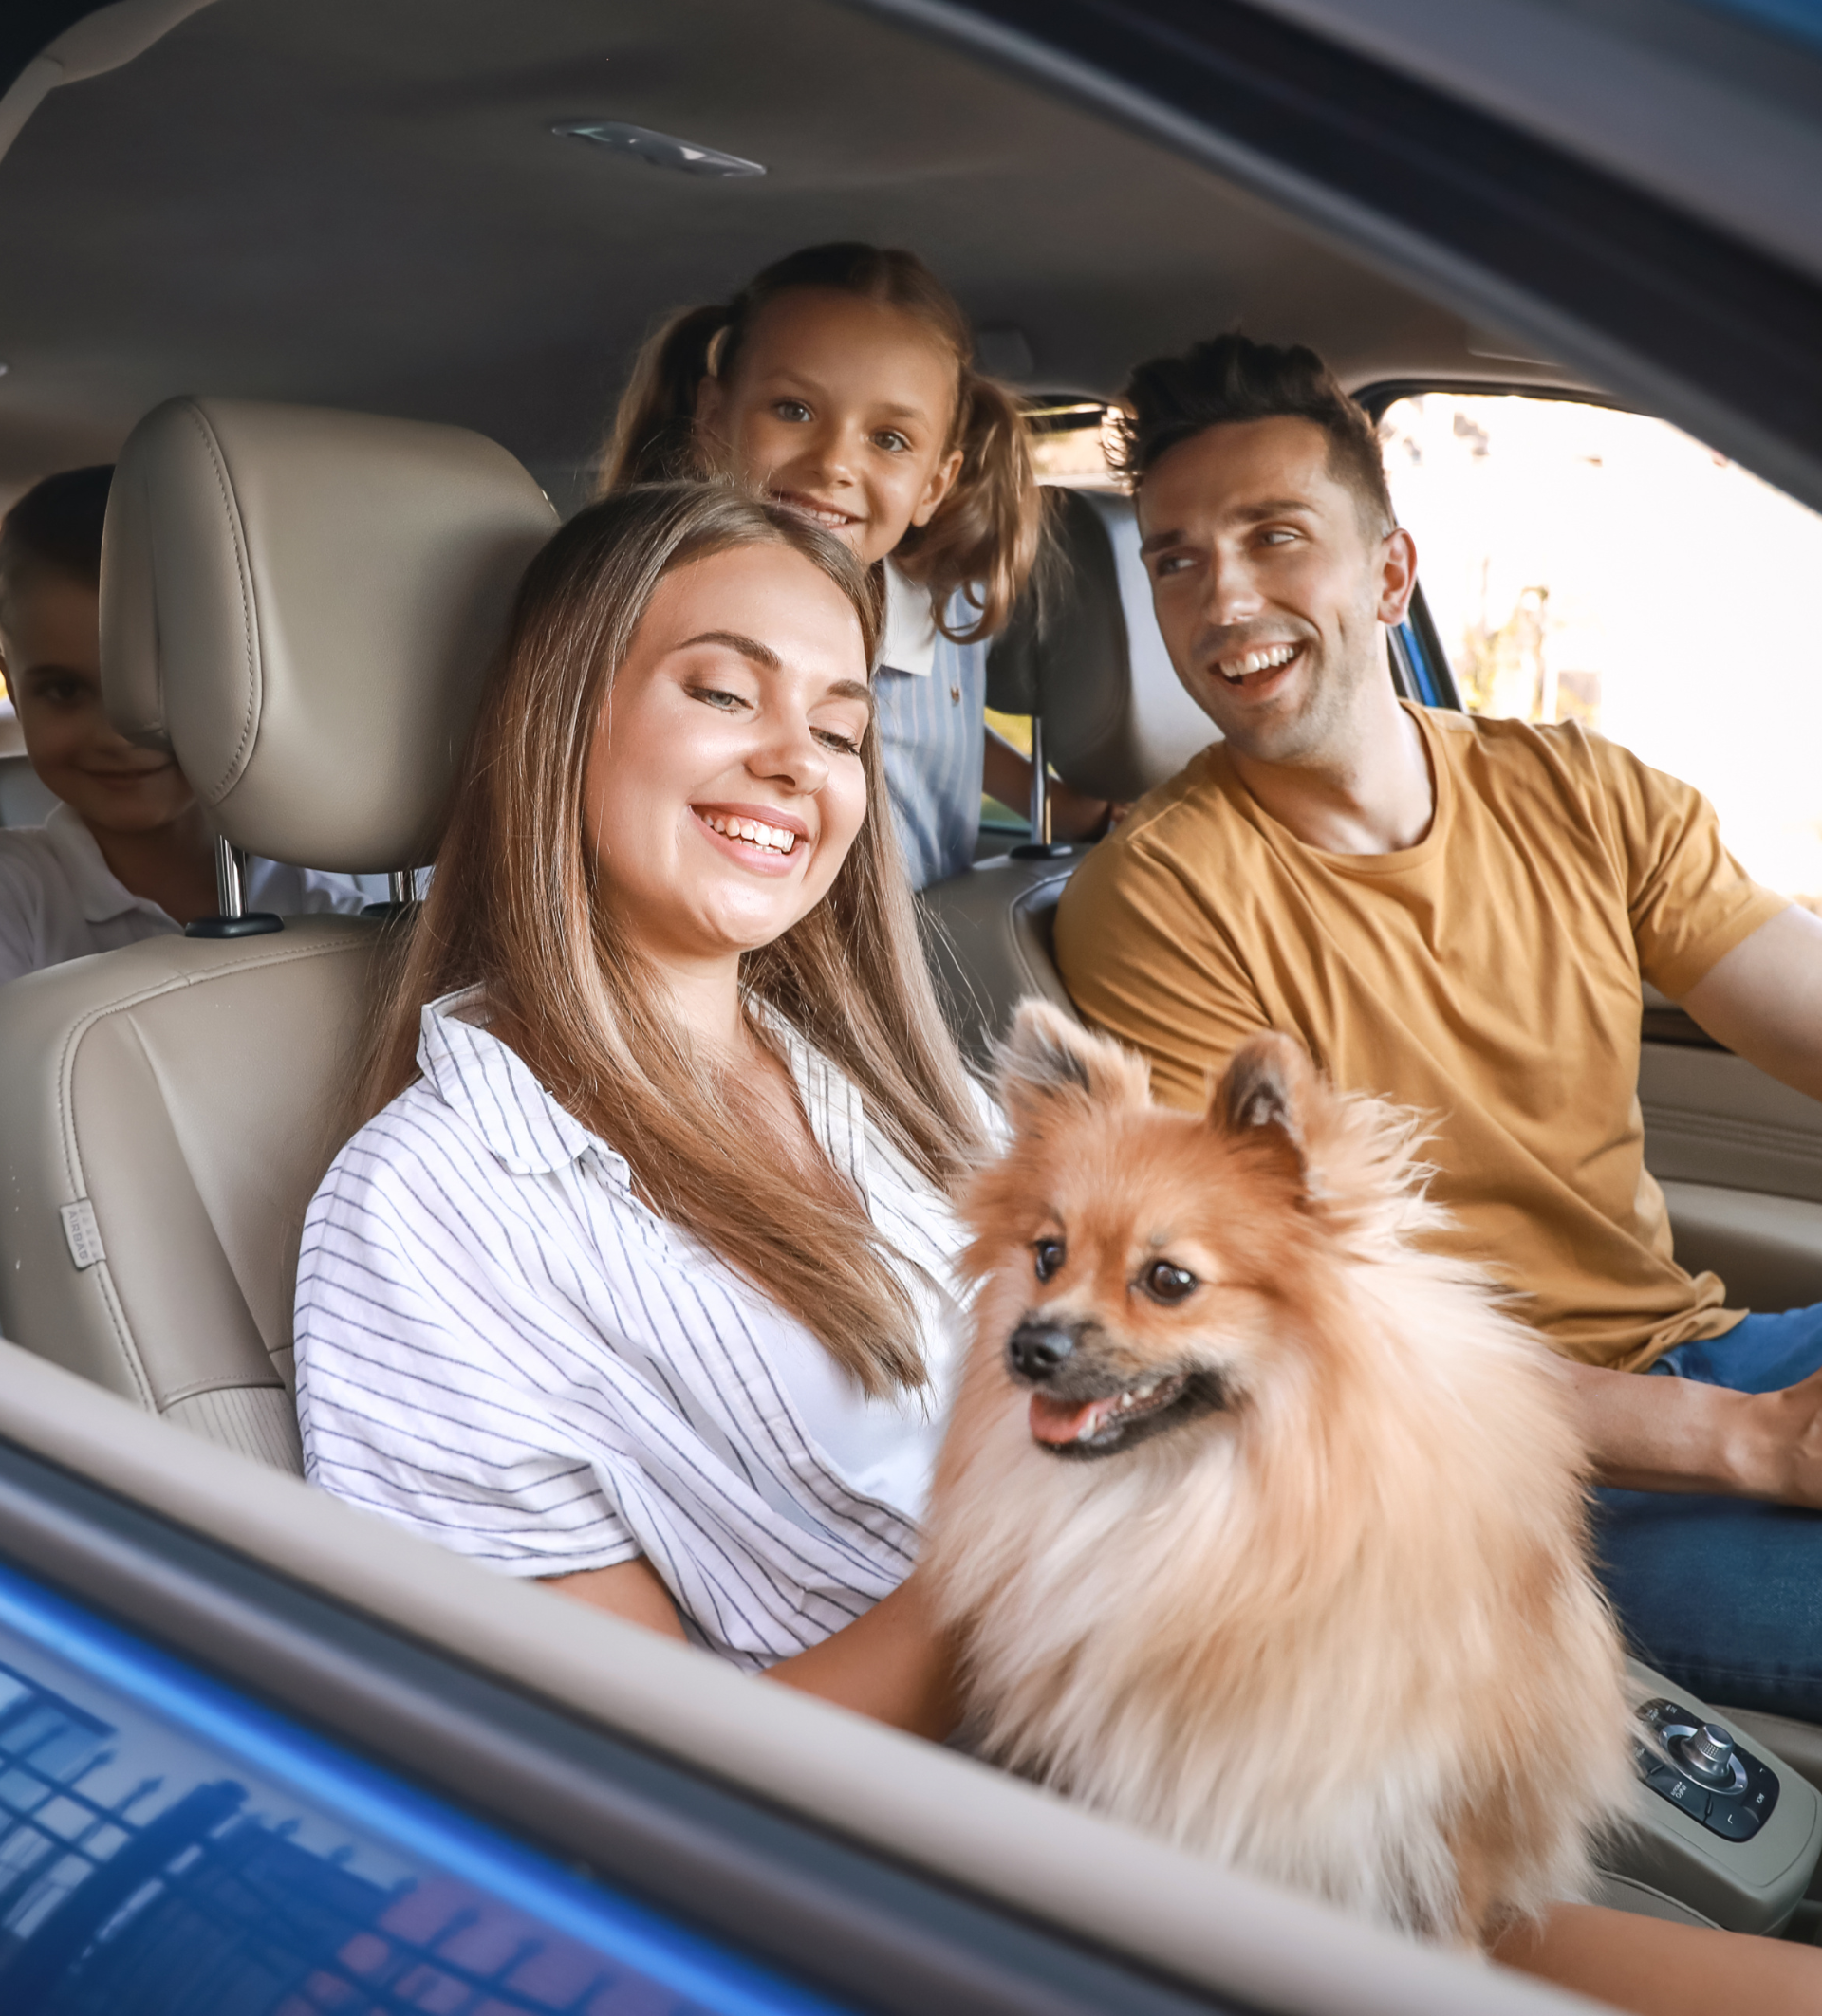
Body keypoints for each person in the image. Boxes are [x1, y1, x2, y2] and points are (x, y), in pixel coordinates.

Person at [293, 476, 1818, 2013]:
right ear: (557, 715)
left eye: (837, 725)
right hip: (1035, 1886)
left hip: (1294, 1778)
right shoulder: (430, 1210)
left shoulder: (900, 1089)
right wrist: (1024, 1547)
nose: (793, 759)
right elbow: (630, 1801)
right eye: (721, 691)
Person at [1052, 333, 1822, 1725]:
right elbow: (1275, 1331)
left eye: (1275, 537)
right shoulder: (1158, 901)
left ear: (1390, 575)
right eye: (1176, 559)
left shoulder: (1580, 793)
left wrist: (1742, 1412)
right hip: (1477, 1474)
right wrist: (1744, 1444)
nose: (1225, 599)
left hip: (1700, 1355)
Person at [596, 241, 1110, 889]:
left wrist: (1063, 810)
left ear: (934, 484)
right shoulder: (652, 608)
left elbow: (936, 740)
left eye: (889, 440)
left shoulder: (938, 605)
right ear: (714, 416)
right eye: (794, 410)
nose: (834, 463)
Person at [0, 467, 371, 981]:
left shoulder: (323, 906)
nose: (117, 736)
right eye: (64, 690)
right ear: (15, 691)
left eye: (163, 685)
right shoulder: (15, 895)